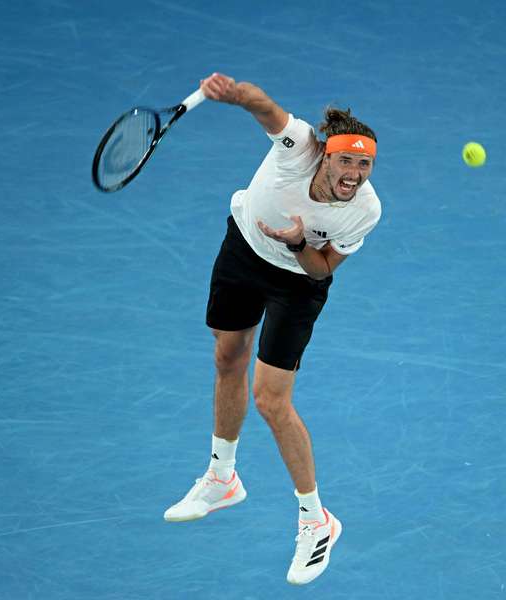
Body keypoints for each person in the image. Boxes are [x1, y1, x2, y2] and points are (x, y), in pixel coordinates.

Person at [163, 72, 381, 586]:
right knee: (227, 358)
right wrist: (235, 93)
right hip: (243, 250)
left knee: (271, 400)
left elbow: (323, 269)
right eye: (346, 160)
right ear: (324, 154)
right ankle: (222, 477)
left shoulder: (365, 210)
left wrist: (298, 244)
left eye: (364, 164)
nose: (354, 173)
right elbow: (266, 108)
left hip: (297, 281)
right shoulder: (297, 145)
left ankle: (316, 520)